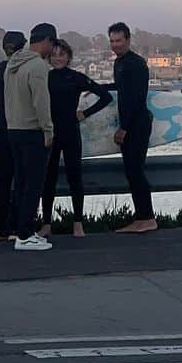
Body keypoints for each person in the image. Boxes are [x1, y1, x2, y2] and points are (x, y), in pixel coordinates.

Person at [40, 38, 112, 238]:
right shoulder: (44, 77)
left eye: (61, 54)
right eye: (53, 55)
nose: (57, 58)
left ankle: (78, 223)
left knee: (75, 178)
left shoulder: (77, 77)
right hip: (51, 133)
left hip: (71, 132)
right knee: (48, 179)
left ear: (68, 56)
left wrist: (85, 113)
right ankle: (47, 224)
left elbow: (106, 97)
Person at [4, 22, 56, 252]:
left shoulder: (11, 64)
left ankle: (20, 230)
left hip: (13, 129)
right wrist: (48, 130)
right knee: (34, 185)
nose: (52, 50)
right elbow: (41, 102)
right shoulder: (37, 66)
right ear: (46, 41)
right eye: (52, 45)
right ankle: (25, 235)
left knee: (21, 183)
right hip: (32, 131)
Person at [108, 22, 157, 233]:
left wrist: (124, 128)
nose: (115, 45)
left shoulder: (136, 64)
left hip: (137, 124)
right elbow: (120, 88)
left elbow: (137, 98)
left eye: (118, 40)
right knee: (131, 171)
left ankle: (147, 218)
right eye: (112, 41)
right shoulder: (119, 63)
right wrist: (95, 89)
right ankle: (141, 217)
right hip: (130, 123)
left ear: (128, 40)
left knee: (136, 171)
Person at [0, 30, 27, 241]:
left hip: (1, 131)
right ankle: (15, 227)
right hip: (22, 131)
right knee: (20, 179)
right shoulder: (27, 70)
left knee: (2, 179)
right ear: (24, 46)